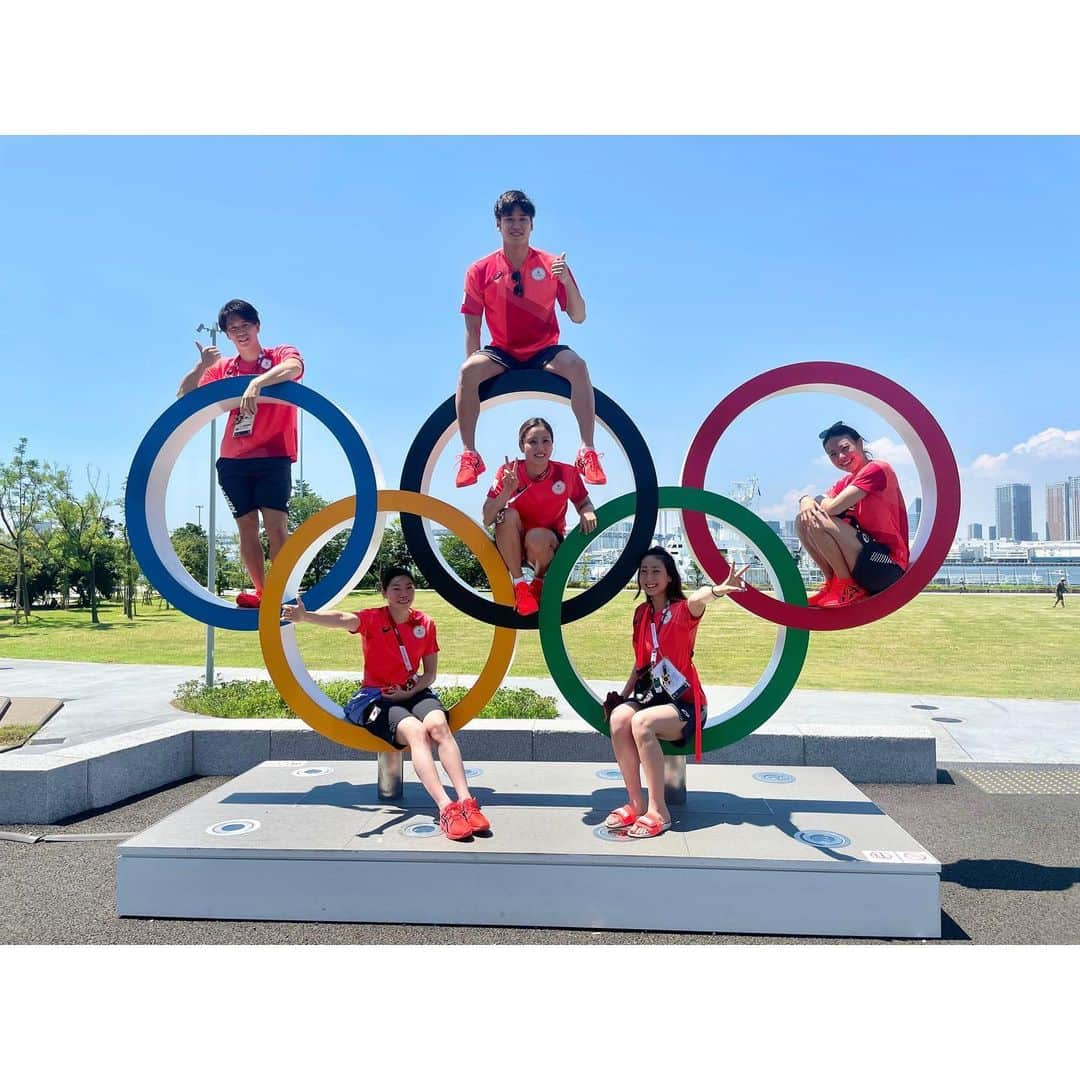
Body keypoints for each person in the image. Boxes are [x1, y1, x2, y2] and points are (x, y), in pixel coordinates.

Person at [281, 566, 491, 842]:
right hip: (376, 697)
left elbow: (429, 674)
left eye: (409, 587)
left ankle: (466, 801)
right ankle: (445, 807)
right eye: (396, 588)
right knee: (416, 733)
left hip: (411, 691)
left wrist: (407, 694)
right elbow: (343, 618)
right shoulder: (372, 618)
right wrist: (305, 616)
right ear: (384, 593)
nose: (404, 594)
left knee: (439, 725)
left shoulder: (424, 623)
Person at [454, 189, 607, 489]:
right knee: (466, 372)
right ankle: (469, 455)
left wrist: (565, 282)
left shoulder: (552, 264)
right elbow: (472, 328)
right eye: (509, 219)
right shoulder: (479, 270)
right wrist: (474, 377)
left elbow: (579, 316)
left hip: (545, 349)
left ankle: (587, 451)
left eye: (523, 219)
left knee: (578, 365)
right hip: (502, 350)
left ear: (532, 224)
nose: (516, 225)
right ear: (498, 224)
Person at [603, 547, 747, 840]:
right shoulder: (641, 614)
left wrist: (718, 590)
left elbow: (698, 599)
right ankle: (635, 803)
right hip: (652, 697)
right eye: (644, 571)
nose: (648, 577)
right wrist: (623, 694)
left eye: (656, 571)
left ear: (669, 577)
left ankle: (659, 812)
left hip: (685, 704)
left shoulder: (682, 610)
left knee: (641, 723)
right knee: (619, 718)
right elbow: (642, 663)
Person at [177, 299, 304, 608]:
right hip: (234, 461)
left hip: (273, 456)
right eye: (233, 329)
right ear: (227, 335)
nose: (240, 332)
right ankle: (263, 593)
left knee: (276, 526)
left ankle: (282, 591)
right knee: (246, 527)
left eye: (245, 325)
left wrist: (257, 383)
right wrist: (202, 367)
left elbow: (294, 368)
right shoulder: (224, 368)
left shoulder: (277, 355)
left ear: (257, 326)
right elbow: (185, 396)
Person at [482, 417, 598, 616]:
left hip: (545, 545)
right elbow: (487, 518)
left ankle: (538, 582)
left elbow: (583, 502)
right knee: (507, 515)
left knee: (536, 536)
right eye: (532, 442)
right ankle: (520, 586)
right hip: (514, 546)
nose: (540, 447)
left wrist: (587, 512)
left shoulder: (567, 473)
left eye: (546, 441)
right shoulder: (508, 472)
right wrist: (506, 491)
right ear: (522, 445)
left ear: (552, 444)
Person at [796, 421, 909, 608]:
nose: (840, 457)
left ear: (859, 444)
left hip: (887, 565)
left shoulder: (876, 469)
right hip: (863, 560)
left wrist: (814, 501)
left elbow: (831, 508)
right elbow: (818, 502)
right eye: (833, 454)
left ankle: (847, 586)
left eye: (845, 448)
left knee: (817, 518)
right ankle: (834, 584)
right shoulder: (847, 481)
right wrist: (805, 499)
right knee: (803, 520)